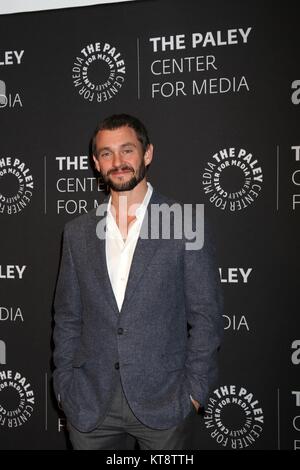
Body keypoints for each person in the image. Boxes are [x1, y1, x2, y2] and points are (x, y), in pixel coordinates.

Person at [53, 113, 224, 450]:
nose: (118, 162)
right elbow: (67, 316)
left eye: (127, 150)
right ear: (96, 164)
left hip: (165, 403)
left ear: (147, 155)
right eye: (106, 153)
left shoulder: (185, 223)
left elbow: (207, 315)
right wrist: (64, 385)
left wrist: (193, 392)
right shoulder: (77, 233)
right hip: (90, 404)